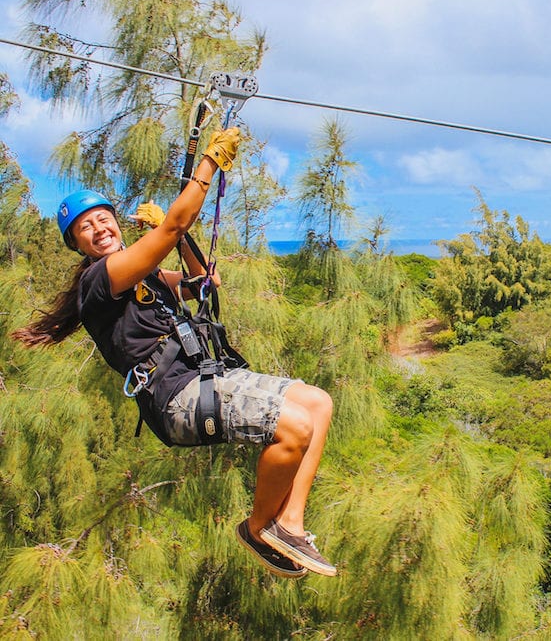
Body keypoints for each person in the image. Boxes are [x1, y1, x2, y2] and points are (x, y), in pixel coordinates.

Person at [11, 128, 336, 578]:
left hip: (206, 376)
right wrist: (208, 166)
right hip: (175, 397)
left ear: (117, 224)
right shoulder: (99, 280)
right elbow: (175, 225)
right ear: (78, 245)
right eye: (85, 228)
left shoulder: (144, 277)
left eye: (103, 219)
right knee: (294, 426)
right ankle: (259, 528)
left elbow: (205, 282)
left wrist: (178, 239)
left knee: (318, 403)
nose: (99, 229)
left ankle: (290, 523)